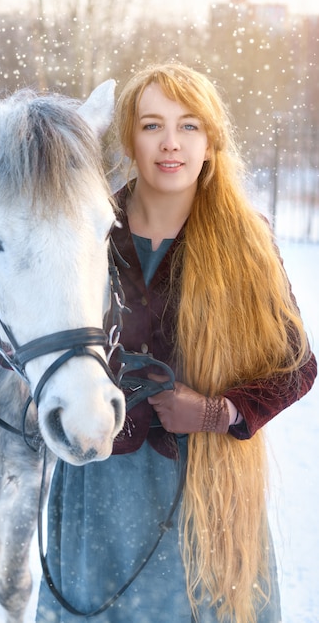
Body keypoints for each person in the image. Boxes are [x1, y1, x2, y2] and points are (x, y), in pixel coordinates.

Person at [36, 63, 317, 623]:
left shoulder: (247, 240)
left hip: (206, 494)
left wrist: (218, 411)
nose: (171, 144)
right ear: (128, 139)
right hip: (100, 483)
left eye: (189, 126)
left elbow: (297, 366)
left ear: (210, 142)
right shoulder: (83, 233)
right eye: (152, 125)